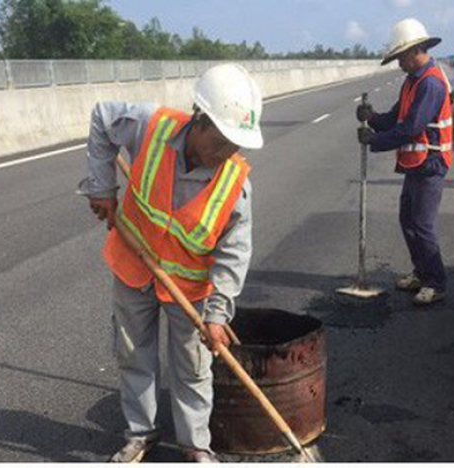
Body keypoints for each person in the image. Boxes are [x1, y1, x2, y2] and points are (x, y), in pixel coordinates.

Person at [78, 63, 262, 462]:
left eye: (236, 144)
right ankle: (140, 434)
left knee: (193, 369)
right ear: (200, 120)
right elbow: (101, 118)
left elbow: (234, 255)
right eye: (222, 141)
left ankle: (196, 446)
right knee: (133, 356)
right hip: (134, 267)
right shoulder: (151, 127)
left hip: (190, 290)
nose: (228, 152)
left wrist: (218, 314)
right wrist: (102, 187)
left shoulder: (235, 184)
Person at [356, 18, 452, 305]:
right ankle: (421, 273)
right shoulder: (412, 82)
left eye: (400, 57)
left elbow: (411, 128)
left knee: (422, 224)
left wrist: (375, 141)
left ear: (415, 51)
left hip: (431, 163)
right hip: (416, 163)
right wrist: (372, 118)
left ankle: (436, 282)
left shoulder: (431, 84)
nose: (398, 64)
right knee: (408, 219)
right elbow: (394, 120)